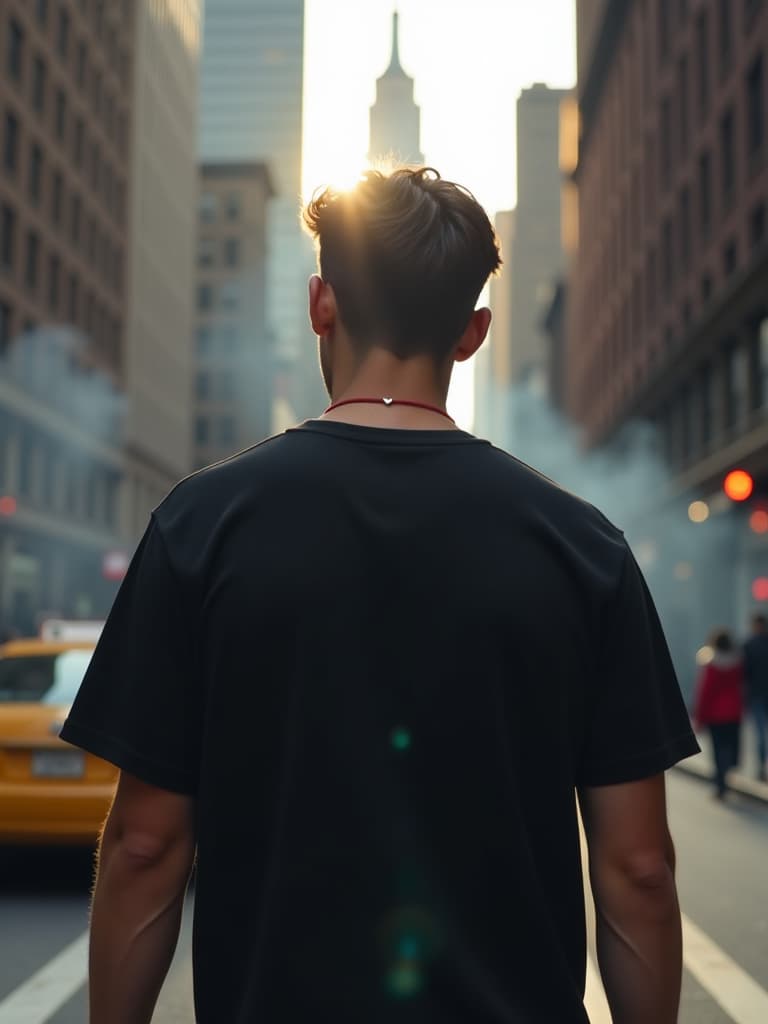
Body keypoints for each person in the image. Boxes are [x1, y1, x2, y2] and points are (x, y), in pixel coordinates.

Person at [61, 167, 699, 1024]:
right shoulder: (582, 547)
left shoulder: (202, 524)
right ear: (472, 333)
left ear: (322, 304)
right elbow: (639, 871)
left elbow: (145, 844)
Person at [693, 629, 744, 798]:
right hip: (734, 711)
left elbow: (705, 692)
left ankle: (720, 781)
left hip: (715, 714)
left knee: (717, 748)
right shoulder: (738, 662)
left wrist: (699, 718)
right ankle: (726, 771)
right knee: (730, 745)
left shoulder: (711, 664)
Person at [742, 613, 768, 782]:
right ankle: (761, 768)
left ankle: (761, 768)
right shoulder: (748, 645)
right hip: (757, 696)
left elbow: (743, 674)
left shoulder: (748, 645)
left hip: (757, 695)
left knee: (760, 734)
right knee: (760, 735)